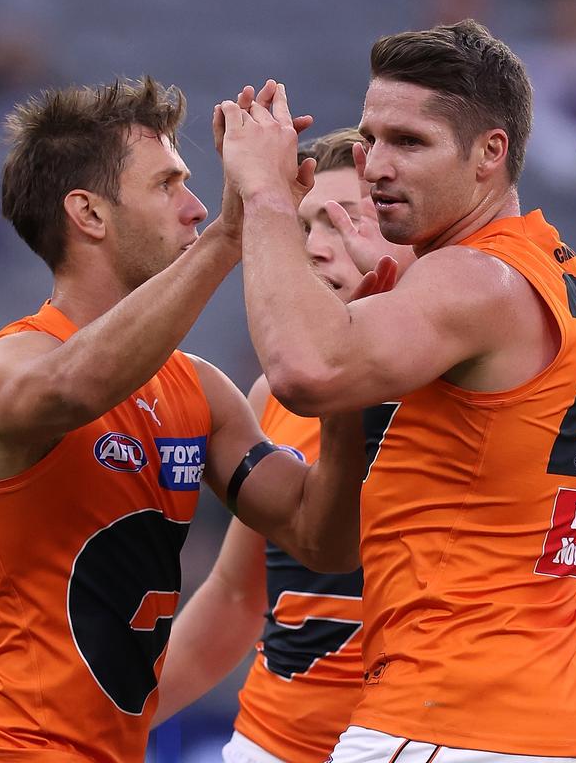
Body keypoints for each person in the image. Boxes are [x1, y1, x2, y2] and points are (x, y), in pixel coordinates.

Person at [219, 19, 576, 762]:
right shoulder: (557, 273)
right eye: (371, 138)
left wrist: (263, 195)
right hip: (560, 727)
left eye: (410, 142)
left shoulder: (468, 277)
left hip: (442, 720)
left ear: (491, 152)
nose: (375, 166)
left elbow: (304, 373)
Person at [0, 78, 374, 763]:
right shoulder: (7, 367)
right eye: (168, 184)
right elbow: (79, 388)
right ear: (88, 213)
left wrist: (347, 388)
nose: (196, 207)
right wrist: (234, 232)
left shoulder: (202, 391)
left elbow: (325, 541)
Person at [154, 128, 414, 763]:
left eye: (348, 220)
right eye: (303, 231)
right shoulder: (274, 395)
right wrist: (114, 720)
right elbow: (240, 596)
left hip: (427, 740)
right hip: (271, 744)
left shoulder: (478, 389)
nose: (320, 250)